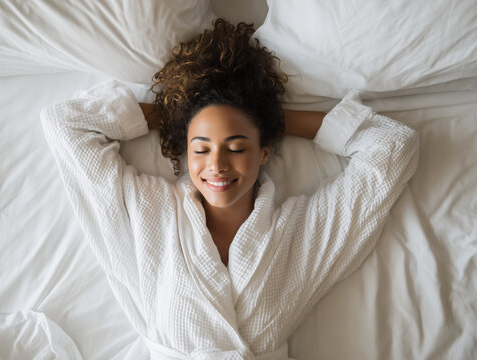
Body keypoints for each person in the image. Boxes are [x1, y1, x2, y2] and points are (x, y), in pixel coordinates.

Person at [41, 19, 419, 360]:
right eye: (201, 149)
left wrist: (269, 119)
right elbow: (66, 124)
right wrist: (181, 114)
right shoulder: (148, 213)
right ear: (185, 153)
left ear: (264, 151)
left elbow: (392, 148)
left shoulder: (300, 235)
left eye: (236, 147)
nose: (217, 164)